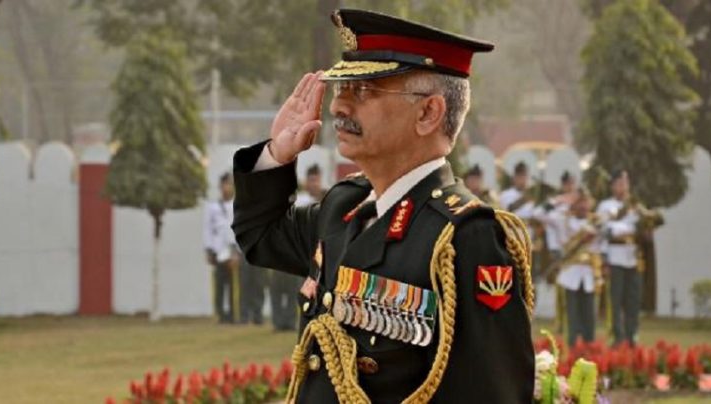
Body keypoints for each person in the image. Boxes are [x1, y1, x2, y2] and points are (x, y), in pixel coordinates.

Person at [232, 9, 534, 402]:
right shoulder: (344, 205)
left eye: (364, 91)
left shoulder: (464, 236)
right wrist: (277, 154)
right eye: (342, 89)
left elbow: (491, 391)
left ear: (428, 113)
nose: (338, 108)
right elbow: (260, 237)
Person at [270, 164, 326, 331]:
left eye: (316, 180)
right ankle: (279, 321)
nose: (313, 184)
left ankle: (298, 320)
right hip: (295, 251)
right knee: (283, 286)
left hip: (318, 252)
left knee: (308, 289)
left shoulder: (326, 201)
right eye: (311, 180)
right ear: (306, 182)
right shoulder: (298, 201)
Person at [596, 169, 641, 346]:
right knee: (615, 300)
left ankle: (632, 334)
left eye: (626, 182)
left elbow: (640, 227)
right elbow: (604, 231)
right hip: (614, 257)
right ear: (613, 185)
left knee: (632, 300)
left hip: (632, 257)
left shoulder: (635, 206)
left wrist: (622, 229)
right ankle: (617, 336)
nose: (623, 186)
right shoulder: (605, 206)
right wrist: (604, 258)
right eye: (620, 183)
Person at [554, 189, 602, 347]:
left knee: (589, 316)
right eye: (580, 202)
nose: (583, 206)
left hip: (589, 274)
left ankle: (590, 348)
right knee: (571, 315)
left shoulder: (596, 222)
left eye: (586, 202)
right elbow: (543, 214)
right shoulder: (565, 221)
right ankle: (570, 346)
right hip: (570, 273)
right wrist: (562, 201)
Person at [203, 172, 239, 324]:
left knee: (234, 286)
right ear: (220, 186)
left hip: (234, 251)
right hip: (219, 251)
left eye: (229, 184)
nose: (226, 188)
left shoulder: (238, 206)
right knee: (219, 284)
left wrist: (237, 252)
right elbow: (208, 229)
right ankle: (220, 314)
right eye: (224, 184)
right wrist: (209, 250)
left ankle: (234, 314)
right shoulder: (213, 207)